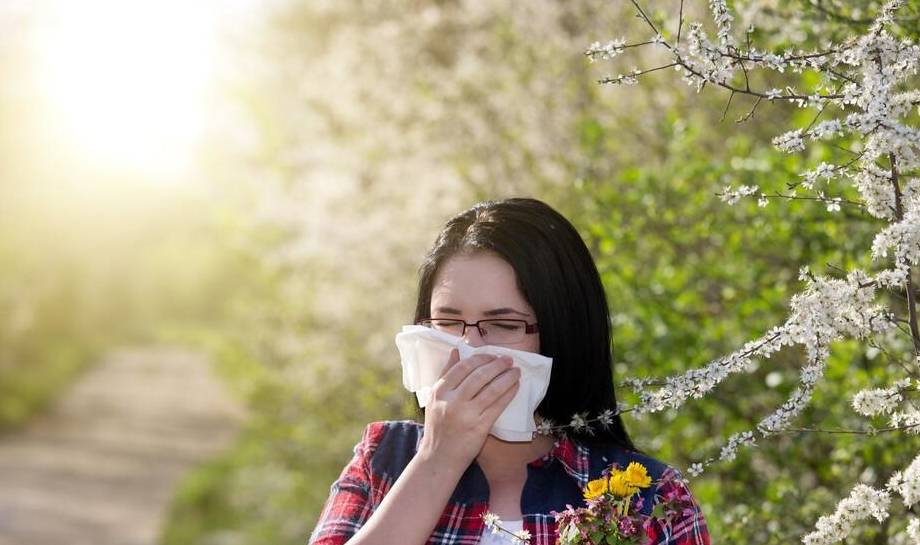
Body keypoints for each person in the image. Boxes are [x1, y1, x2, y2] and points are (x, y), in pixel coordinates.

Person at [307, 198, 711, 545]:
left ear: (561, 332)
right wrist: (438, 458)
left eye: (503, 325)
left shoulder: (648, 497)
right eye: (448, 323)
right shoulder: (383, 461)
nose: (470, 349)